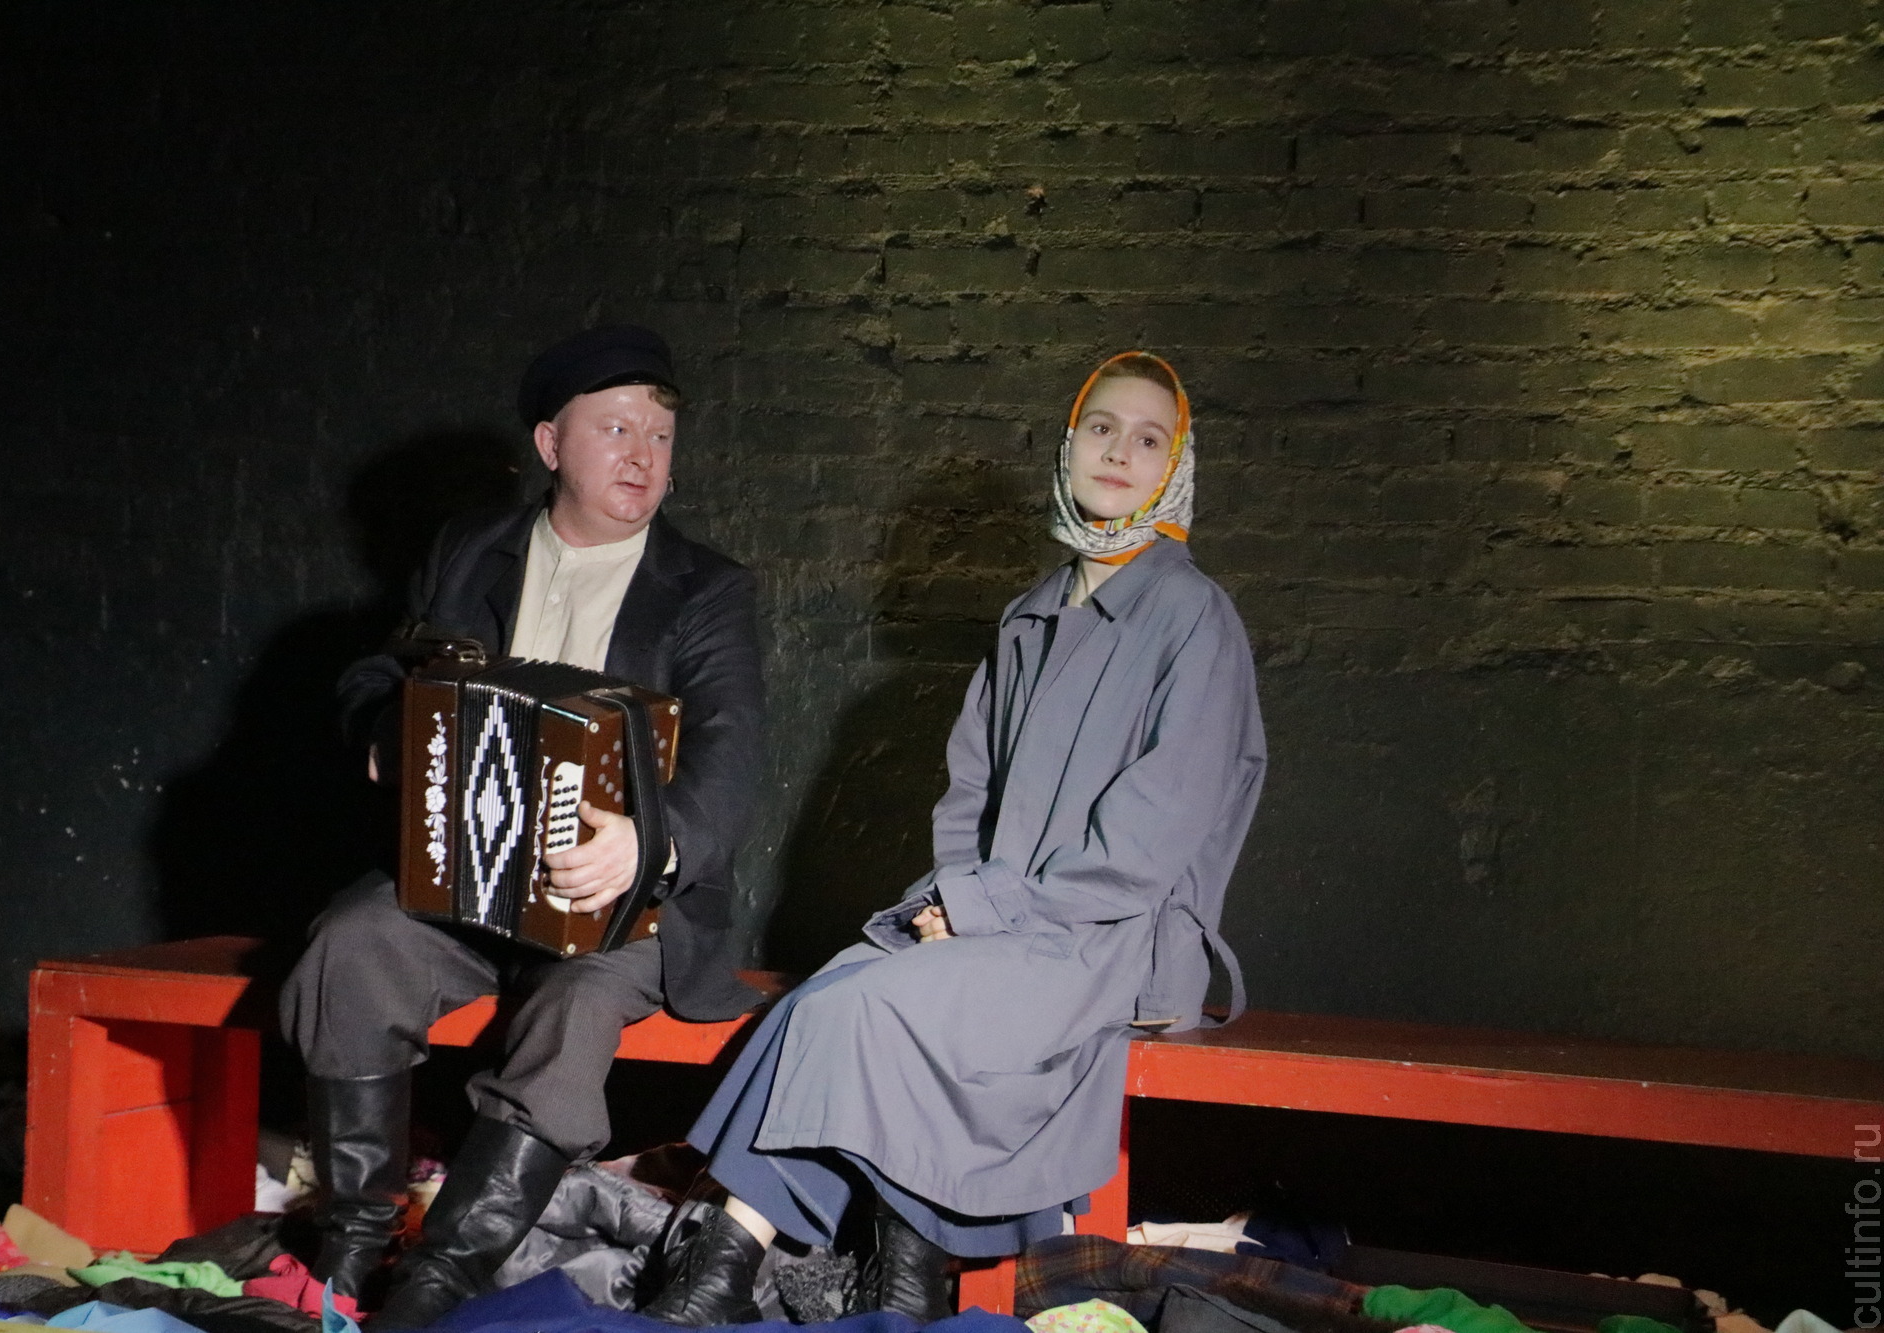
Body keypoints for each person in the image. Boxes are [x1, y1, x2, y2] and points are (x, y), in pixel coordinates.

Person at [643, 351, 1267, 1326]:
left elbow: (1144, 844)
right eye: (1102, 428)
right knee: (828, 990)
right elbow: (967, 793)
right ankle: (826, 1277)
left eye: (1149, 439)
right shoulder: (1029, 613)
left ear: (1174, 466)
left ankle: (736, 1271)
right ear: (1068, 445)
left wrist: (977, 909)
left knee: (873, 1007)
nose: (1119, 452)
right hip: (1007, 922)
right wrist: (949, 900)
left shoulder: (1193, 618)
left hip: (1113, 942)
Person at [279, 325, 765, 1329]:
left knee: (575, 1005)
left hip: (617, 903)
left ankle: (441, 1274)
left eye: (659, 436)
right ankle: (354, 1243)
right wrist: (383, 732)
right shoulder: (471, 550)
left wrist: (647, 844)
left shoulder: (708, 587)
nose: (641, 455)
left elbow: (732, 756)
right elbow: (383, 670)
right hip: (462, 878)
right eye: (615, 429)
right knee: (349, 943)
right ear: (550, 445)